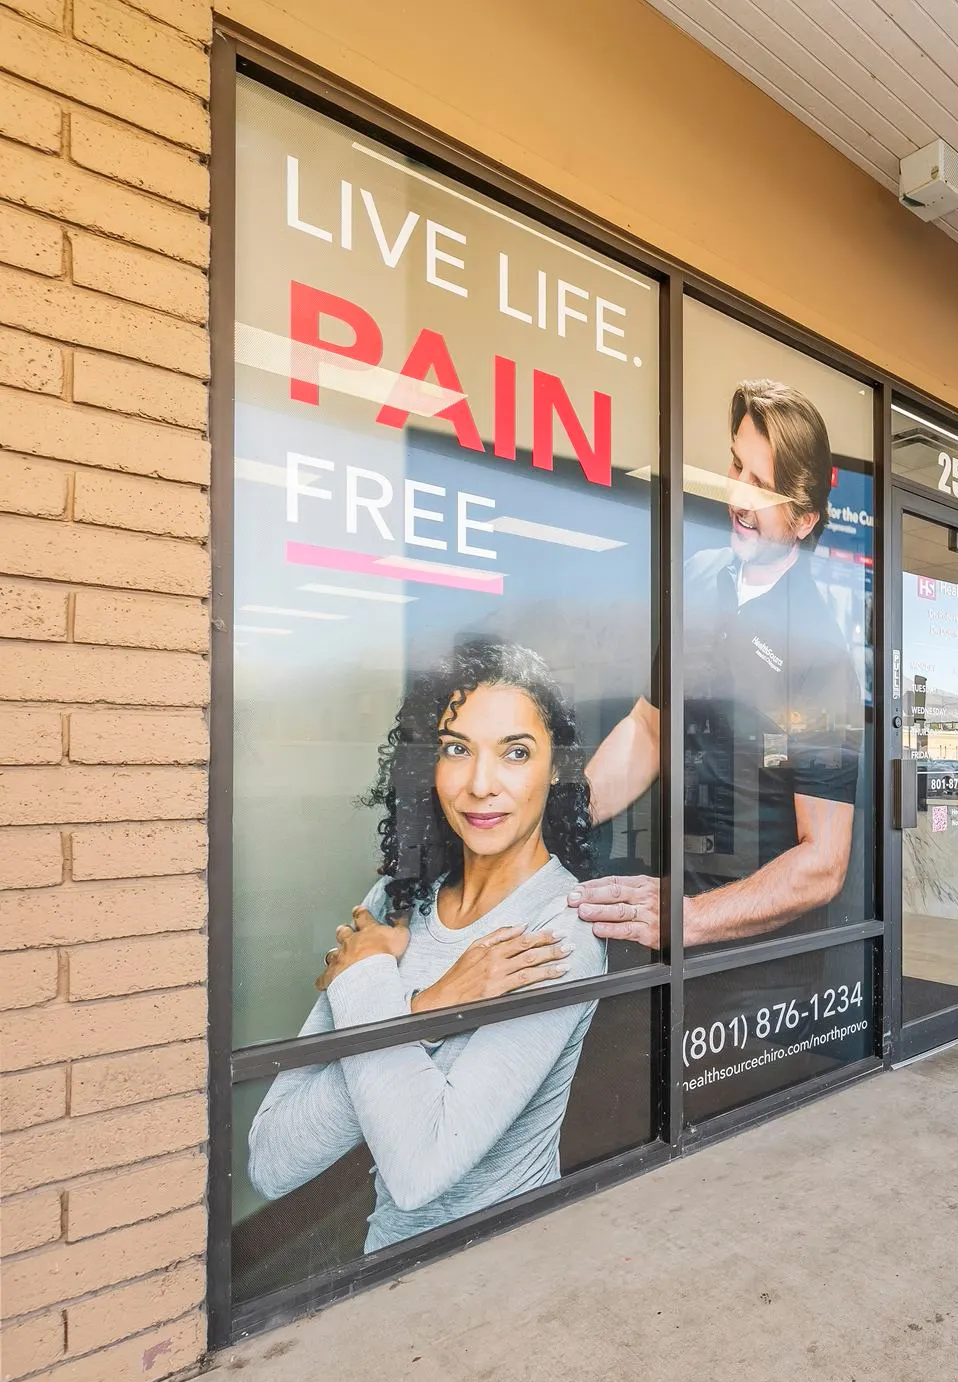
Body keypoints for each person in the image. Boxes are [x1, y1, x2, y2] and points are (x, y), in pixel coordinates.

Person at [246, 641, 606, 1253]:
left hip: (512, 1269)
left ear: (556, 768)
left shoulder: (557, 933)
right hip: (387, 1260)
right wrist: (426, 1008)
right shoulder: (396, 900)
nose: (480, 785)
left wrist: (370, 985)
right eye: (456, 749)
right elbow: (270, 1160)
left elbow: (420, 1167)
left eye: (515, 753)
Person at [568, 378, 860, 948]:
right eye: (736, 469)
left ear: (803, 521)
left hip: (754, 955)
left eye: (761, 487)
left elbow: (824, 860)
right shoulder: (696, 575)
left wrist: (693, 919)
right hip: (666, 907)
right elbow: (651, 728)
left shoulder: (821, 656)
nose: (737, 499)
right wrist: (563, 817)